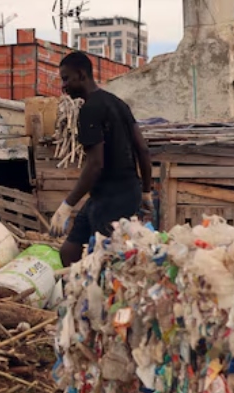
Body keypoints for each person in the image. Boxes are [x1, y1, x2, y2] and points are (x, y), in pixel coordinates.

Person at [49, 52, 154, 267]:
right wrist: (145, 191)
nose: (63, 86)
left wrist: (67, 204)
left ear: (81, 75)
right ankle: (75, 295)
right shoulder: (118, 104)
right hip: (112, 194)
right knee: (70, 249)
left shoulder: (90, 110)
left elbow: (95, 164)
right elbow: (142, 149)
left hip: (112, 198)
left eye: (66, 78)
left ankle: (100, 297)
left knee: (107, 261)